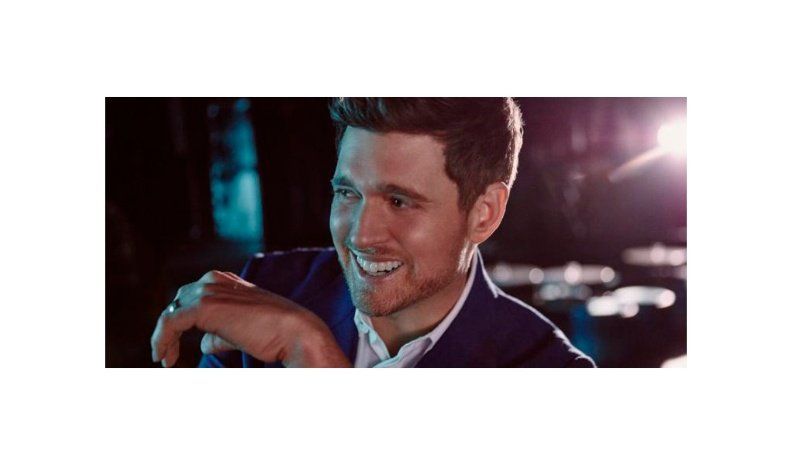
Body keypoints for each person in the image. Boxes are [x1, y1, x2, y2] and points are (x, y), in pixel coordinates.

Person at [150, 98, 595, 368]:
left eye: (399, 201)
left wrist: (313, 356)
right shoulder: (268, 285)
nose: (361, 236)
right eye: (347, 193)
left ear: (484, 213)